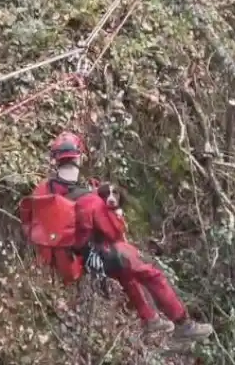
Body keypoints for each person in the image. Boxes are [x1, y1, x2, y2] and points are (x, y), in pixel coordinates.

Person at [20, 132, 215, 340]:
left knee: (125, 269)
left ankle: (150, 319)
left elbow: (28, 216)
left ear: (56, 160)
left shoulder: (42, 190)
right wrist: (114, 213)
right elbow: (115, 232)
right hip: (90, 257)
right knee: (148, 270)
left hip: (65, 258)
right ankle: (183, 323)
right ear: (78, 158)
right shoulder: (90, 201)